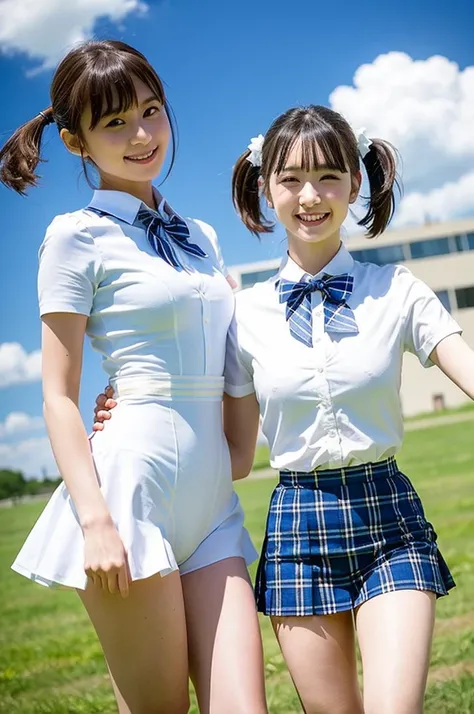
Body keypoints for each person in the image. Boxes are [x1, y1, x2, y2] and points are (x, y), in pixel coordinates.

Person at [96, 104, 474, 714]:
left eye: (329, 175)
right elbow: (237, 456)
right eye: (291, 178)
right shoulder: (240, 315)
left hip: (390, 520)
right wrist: (134, 410)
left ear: (356, 182)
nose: (311, 195)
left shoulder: (397, 290)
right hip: (299, 526)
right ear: (265, 187)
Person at [1, 39, 268, 714]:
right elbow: (57, 395)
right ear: (75, 142)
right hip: (127, 502)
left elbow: (228, 358)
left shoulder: (201, 235)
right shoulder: (73, 236)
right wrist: (95, 521)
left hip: (213, 508)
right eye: (115, 122)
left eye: (151, 111)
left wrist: (240, 446)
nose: (142, 134)